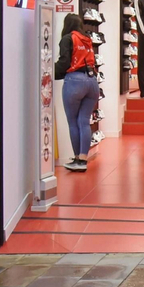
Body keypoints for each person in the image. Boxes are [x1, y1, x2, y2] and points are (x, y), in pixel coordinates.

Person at [55, 12, 99, 171]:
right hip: (92, 81)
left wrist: (48, 71)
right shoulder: (87, 40)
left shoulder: (67, 39)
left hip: (74, 81)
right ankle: (83, 159)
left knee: (73, 122)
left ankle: (77, 160)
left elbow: (64, 62)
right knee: (84, 121)